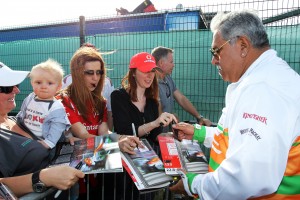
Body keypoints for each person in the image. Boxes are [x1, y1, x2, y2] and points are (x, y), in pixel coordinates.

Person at [170, 10, 300, 199]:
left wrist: (192, 184)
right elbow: (242, 138)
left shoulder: (263, 90)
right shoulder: (264, 79)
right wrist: (200, 133)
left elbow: (246, 178)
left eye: (216, 51)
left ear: (243, 45)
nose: (213, 60)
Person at [0, 62, 84, 197]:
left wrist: (67, 139)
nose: (17, 90)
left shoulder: (19, 119)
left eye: (16, 85)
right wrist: (41, 178)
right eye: (7, 87)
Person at [111, 52, 177, 146]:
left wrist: (173, 135)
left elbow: (155, 135)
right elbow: (125, 132)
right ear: (133, 73)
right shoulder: (118, 96)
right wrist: (154, 123)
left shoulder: (152, 101)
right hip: (127, 155)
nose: (150, 75)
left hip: (150, 157)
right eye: (145, 71)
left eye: (153, 70)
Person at [151, 46, 212, 132]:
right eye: (171, 62)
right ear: (161, 63)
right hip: (155, 136)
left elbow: (181, 99)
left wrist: (199, 117)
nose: (173, 65)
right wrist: (170, 117)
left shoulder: (168, 79)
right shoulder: (151, 83)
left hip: (165, 133)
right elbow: (157, 114)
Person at [57, 45, 110, 139]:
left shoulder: (101, 101)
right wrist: (117, 142)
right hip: (78, 151)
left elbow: (104, 133)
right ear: (77, 74)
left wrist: (123, 138)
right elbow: (83, 135)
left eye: (98, 72)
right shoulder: (63, 101)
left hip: (99, 150)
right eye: (89, 73)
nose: (95, 78)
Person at [16, 59, 70, 149]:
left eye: (50, 83)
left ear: (58, 87)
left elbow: (58, 126)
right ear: (32, 83)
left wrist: (49, 143)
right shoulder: (30, 98)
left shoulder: (56, 107)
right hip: (25, 135)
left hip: (42, 140)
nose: (44, 86)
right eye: (38, 82)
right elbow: (23, 112)